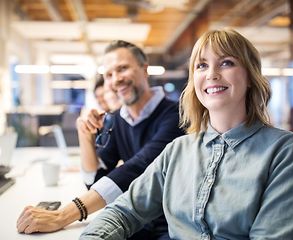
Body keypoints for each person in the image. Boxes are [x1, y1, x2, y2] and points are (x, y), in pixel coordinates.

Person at [79, 29, 293, 240]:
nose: (211, 74)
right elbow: (124, 211)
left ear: (250, 77)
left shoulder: (286, 150)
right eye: (201, 66)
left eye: (226, 63)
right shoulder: (177, 150)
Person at [16, 40, 184, 239]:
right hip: (138, 221)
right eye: (109, 75)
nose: (116, 80)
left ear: (144, 69)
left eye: (122, 69)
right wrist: (84, 134)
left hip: (172, 224)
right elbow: (96, 181)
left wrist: (63, 215)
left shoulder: (175, 114)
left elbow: (138, 169)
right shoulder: (117, 120)